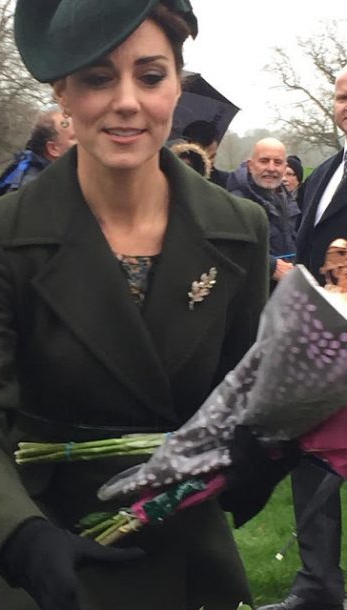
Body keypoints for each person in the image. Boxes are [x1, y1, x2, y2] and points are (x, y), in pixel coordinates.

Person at [0, 1, 274, 609]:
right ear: (62, 93)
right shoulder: (1, 233)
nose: (126, 101)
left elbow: (243, 391)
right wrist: (17, 533)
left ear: (178, 84)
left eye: (150, 76)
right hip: (53, 545)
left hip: (186, 546)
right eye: (97, 78)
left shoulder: (240, 228)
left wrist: (258, 451)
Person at [258, 66, 347, 610]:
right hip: (319, 345)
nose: (346, 105)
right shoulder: (322, 173)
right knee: (312, 459)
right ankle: (319, 585)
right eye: (341, 96)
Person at [227, 138, 301, 283]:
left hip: (284, 290)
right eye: (264, 161)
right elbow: (230, 250)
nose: (271, 168)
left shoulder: (286, 198)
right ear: (250, 165)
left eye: (278, 162)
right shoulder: (237, 202)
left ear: (285, 167)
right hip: (252, 294)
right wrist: (271, 265)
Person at [0, 107, 76, 197]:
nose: (85, 140)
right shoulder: (36, 190)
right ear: (53, 148)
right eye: (75, 137)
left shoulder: (58, 179)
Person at [182, 119, 229, 188]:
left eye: (212, 156)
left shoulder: (217, 183)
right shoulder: (170, 171)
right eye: (205, 158)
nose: (210, 162)